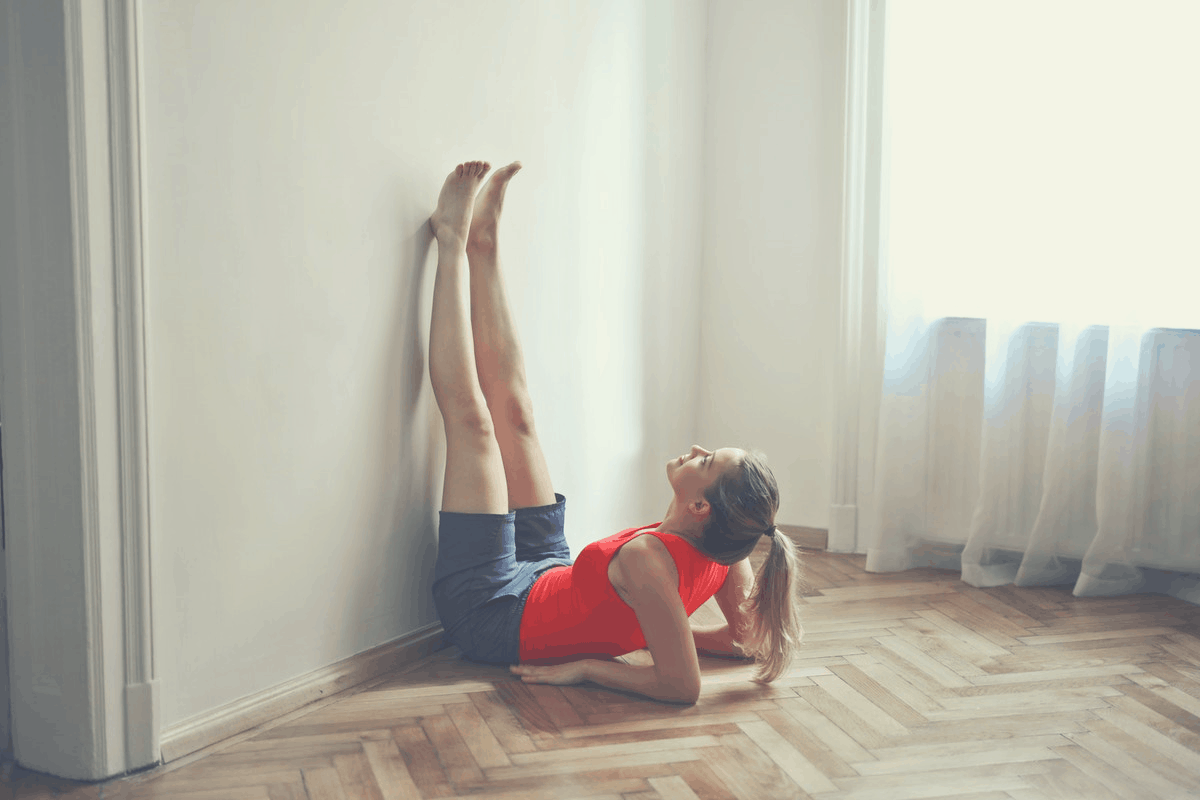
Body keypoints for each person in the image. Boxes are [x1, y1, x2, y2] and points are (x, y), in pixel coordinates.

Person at [427, 160, 803, 705]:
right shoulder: (728, 546)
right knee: (519, 415)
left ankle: (450, 240)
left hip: (489, 611)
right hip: (549, 577)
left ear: (701, 506)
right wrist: (669, 632)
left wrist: (590, 667)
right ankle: (483, 247)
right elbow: (747, 639)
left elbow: (683, 687)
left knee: (474, 425)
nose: (696, 451)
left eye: (707, 461)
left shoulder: (652, 561)